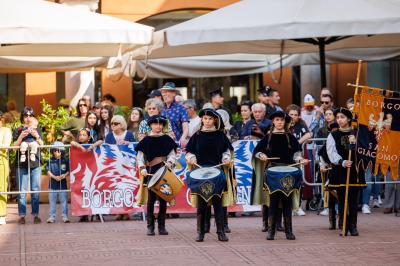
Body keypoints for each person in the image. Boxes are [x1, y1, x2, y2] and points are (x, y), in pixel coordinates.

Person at [252, 111, 308, 240]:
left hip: (288, 171)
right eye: (277, 120)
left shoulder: (290, 137)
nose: (279, 122)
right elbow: (257, 151)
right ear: (273, 121)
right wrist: (262, 155)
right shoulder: (268, 137)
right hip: (272, 171)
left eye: (282, 120)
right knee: (273, 201)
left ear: (285, 122)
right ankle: (271, 231)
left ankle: (289, 230)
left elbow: (297, 153)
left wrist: (300, 159)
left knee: (287, 201)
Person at [186, 108, 235, 242]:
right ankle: (200, 232)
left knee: (218, 204)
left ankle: (221, 232)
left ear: (215, 120)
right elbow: (189, 151)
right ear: (202, 119)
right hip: (200, 173)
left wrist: (225, 158)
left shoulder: (220, 136)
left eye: (210, 119)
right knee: (202, 205)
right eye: (205, 118)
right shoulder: (197, 135)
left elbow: (226, 150)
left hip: (217, 172)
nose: (207, 121)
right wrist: (191, 157)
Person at [135, 115, 177, 236]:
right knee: (151, 200)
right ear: (150, 126)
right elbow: (140, 157)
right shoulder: (145, 141)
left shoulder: (167, 140)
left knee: (163, 199)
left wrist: (170, 162)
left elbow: (172, 154)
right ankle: (150, 226)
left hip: (164, 171)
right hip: (151, 171)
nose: (158, 126)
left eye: (160, 124)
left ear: (163, 126)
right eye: (155, 124)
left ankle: (162, 226)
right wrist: (142, 168)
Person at [327, 108, 366, 236]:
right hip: (341, 171)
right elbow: (331, 153)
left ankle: (353, 226)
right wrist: (342, 162)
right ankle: (344, 225)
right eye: (337, 117)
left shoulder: (357, 133)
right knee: (343, 199)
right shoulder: (333, 135)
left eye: (342, 117)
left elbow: (363, 149)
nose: (339, 120)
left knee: (353, 200)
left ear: (349, 119)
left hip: (355, 170)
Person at [13, 107, 44, 225]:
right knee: (22, 190)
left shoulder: (37, 128)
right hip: (21, 163)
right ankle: (21, 215)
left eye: (30, 115)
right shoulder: (19, 129)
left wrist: (36, 136)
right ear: (23, 117)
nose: (28, 118)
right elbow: (15, 146)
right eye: (26, 115)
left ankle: (36, 215)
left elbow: (42, 144)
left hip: (35, 162)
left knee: (35, 189)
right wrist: (21, 137)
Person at [287, 104, 312, 217]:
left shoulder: (301, 125)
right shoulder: (283, 125)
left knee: (298, 182)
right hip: (286, 158)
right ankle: (290, 206)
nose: (293, 117)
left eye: (295, 115)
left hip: (298, 157)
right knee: (287, 182)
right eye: (291, 114)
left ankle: (298, 206)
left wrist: (297, 143)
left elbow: (309, 134)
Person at [46, 141, 70, 223]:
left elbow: (68, 171)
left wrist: (64, 175)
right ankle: (52, 217)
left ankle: (65, 216)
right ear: (53, 151)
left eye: (59, 150)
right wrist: (54, 177)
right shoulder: (50, 160)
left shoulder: (65, 160)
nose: (57, 152)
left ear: (62, 151)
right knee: (52, 203)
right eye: (55, 150)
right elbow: (48, 171)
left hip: (63, 186)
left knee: (64, 202)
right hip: (52, 186)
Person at [160, 82, 189, 148]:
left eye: (167, 92)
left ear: (174, 93)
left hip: (177, 143)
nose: (165, 94)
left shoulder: (181, 108)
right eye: (163, 92)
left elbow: (186, 127)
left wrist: (183, 137)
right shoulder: (161, 109)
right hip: (162, 143)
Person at [0, 111, 12, 225]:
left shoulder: (6, 130)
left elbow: (6, 145)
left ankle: (1, 214)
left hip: (1, 161)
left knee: (1, 188)